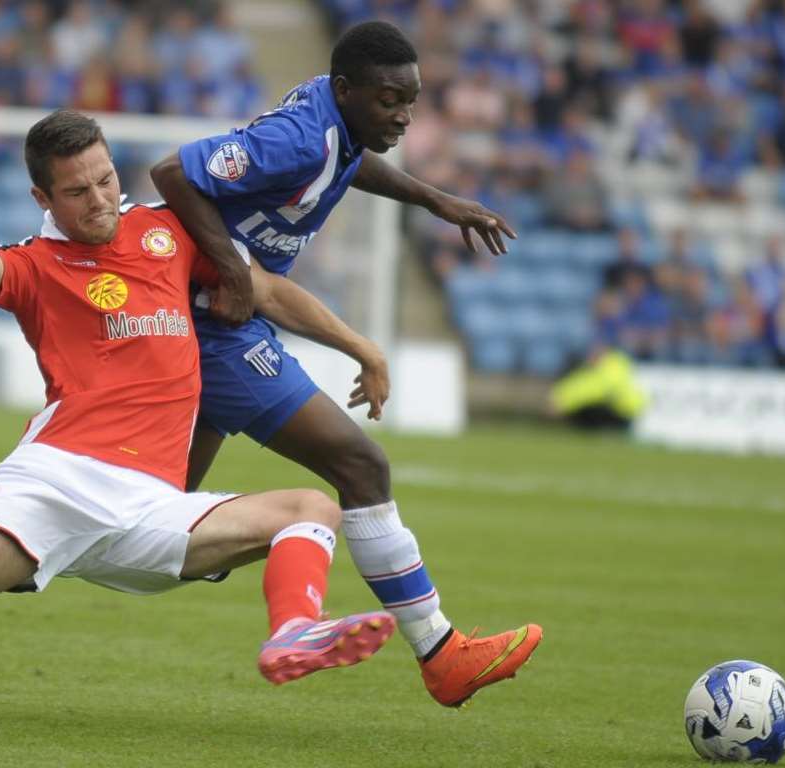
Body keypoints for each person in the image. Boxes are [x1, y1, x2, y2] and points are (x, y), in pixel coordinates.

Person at [0, 109, 397, 696]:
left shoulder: (166, 232)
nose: (99, 201)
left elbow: (266, 292)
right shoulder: (36, 265)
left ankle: (292, 631)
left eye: (105, 180)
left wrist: (359, 347)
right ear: (42, 199)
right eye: (77, 192)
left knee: (311, 508)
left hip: (150, 503)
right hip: (56, 482)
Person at [149, 20, 541, 708]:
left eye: (410, 101)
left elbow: (351, 157)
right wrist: (231, 270)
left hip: (222, 312)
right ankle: (441, 652)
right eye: (390, 100)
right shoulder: (296, 139)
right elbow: (173, 171)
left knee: (150, 517)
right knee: (361, 465)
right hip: (214, 322)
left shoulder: (340, 126)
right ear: (345, 89)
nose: (403, 115)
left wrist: (433, 198)